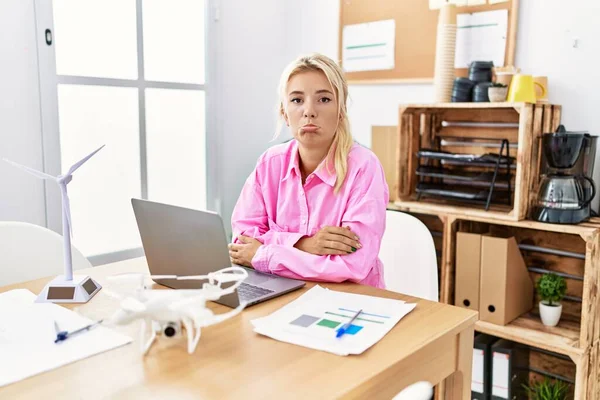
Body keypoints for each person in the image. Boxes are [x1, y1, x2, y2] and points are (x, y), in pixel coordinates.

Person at [228, 53, 389, 288]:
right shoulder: (269, 163)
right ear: (284, 113)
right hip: (279, 292)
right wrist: (305, 244)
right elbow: (242, 243)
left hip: (349, 300)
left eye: (324, 99)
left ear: (341, 111)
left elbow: (351, 265)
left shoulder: (364, 168)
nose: (309, 111)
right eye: (296, 100)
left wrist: (264, 253)